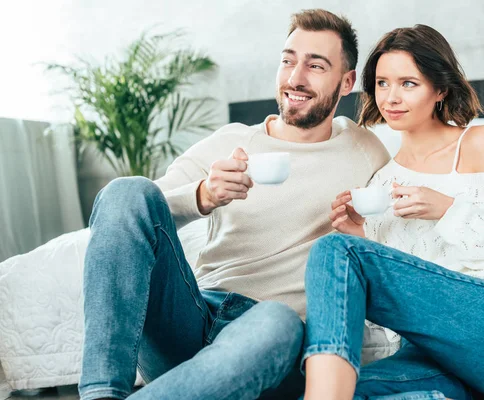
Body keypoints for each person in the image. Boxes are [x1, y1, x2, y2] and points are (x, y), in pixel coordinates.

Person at [78, 9, 390, 400]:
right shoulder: (231, 140)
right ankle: (100, 394)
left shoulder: (363, 150)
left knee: (277, 321)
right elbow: (129, 215)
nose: (295, 77)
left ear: (346, 83)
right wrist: (203, 196)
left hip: (274, 341)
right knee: (126, 189)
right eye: (288, 60)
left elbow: (404, 214)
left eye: (315, 65)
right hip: (193, 317)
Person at [301, 25, 484, 400]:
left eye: (408, 83)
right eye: (382, 83)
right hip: (439, 353)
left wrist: (447, 209)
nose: (391, 97)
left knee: (332, 251)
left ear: (440, 89)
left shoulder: (478, 142)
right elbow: (413, 294)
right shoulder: (382, 181)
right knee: (355, 390)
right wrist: (362, 236)